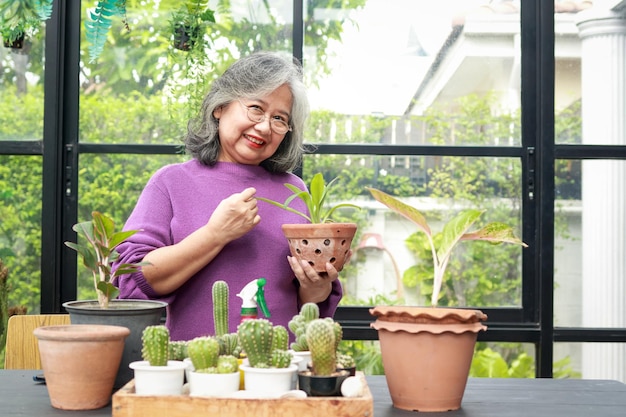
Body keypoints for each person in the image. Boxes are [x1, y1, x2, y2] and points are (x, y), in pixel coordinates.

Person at [113, 52, 343, 341]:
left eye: (279, 119)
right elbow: (133, 280)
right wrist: (215, 234)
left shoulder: (295, 190)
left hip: (278, 369)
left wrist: (316, 287)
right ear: (220, 106)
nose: (264, 127)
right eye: (256, 108)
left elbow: (309, 304)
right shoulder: (170, 182)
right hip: (197, 368)